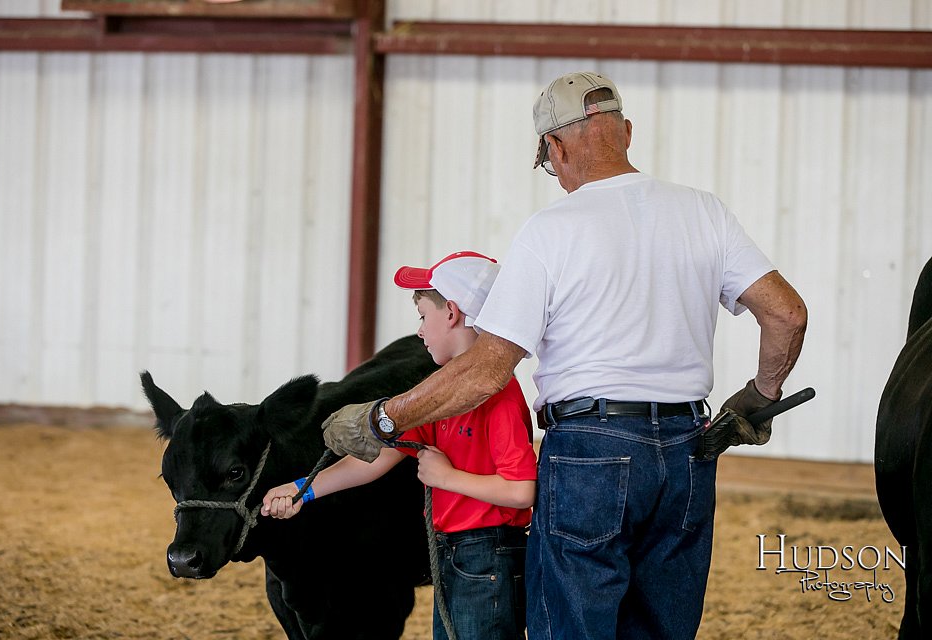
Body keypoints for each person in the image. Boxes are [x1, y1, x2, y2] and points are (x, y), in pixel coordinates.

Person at [321, 71, 808, 639]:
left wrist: (384, 418)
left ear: (553, 146)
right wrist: (761, 396)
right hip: (688, 449)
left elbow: (485, 371)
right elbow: (787, 315)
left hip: (589, 452)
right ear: (626, 132)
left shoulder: (550, 231)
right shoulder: (704, 211)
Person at [261, 251, 538, 640]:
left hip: (487, 554)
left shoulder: (499, 396)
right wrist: (302, 490)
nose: (420, 332)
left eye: (423, 317)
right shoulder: (440, 395)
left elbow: (521, 490)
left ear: (452, 313)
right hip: (451, 553)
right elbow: (375, 460)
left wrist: (448, 478)